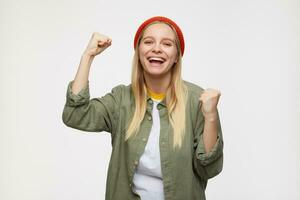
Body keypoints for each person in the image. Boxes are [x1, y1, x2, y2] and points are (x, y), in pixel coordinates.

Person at [62, 16, 224, 200]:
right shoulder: (121, 99)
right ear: (139, 52)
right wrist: (87, 56)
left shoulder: (197, 100)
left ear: (176, 57)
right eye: (148, 42)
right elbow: (75, 115)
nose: (156, 48)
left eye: (167, 44)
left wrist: (211, 116)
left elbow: (209, 169)